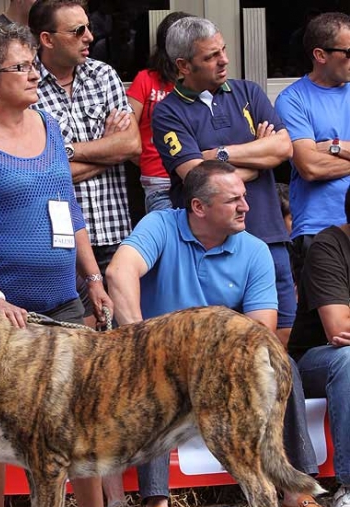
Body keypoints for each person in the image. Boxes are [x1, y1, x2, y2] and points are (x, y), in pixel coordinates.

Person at [0, 23, 146, 507]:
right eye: (21, 68)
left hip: (60, 301)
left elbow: (68, 211)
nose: (34, 75)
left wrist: (93, 278)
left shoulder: (49, 128)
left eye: (33, 65)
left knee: (79, 410)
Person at [106, 161, 334, 507]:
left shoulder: (256, 249)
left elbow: (263, 330)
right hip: (160, 352)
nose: (247, 206)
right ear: (199, 207)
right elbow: (119, 272)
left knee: (284, 364)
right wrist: (138, 338)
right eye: (233, 200)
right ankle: (157, 503)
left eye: (244, 197)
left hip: (222, 358)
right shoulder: (161, 225)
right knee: (154, 371)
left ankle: (295, 491)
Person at [28, 0, 142, 507]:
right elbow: (42, 169)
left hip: (114, 236)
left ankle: (112, 506)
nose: (90, 37)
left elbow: (132, 145)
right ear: (46, 39)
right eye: (77, 31)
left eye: (90, 28)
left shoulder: (104, 75)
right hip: (58, 246)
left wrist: (71, 153)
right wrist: (102, 149)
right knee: (69, 380)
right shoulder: (25, 84)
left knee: (110, 375)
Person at [152, 16, 295, 349]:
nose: (224, 60)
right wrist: (256, 159)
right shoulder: (168, 113)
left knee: (277, 345)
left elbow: (283, 148)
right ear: (183, 65)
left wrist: (218, 154)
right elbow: (196, 178)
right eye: (211, 56)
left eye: (223, 50)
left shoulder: (248, 92)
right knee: (220, 351)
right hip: (212, 251)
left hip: (269, 235)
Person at [288, 184, 350, 507]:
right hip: (316, 361)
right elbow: (338, 327)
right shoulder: (328, 246)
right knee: (349, 359)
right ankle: (349, 485)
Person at [275, 12, 350, 286]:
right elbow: (309, 166)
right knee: (328, 323)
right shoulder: (292, 99)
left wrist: (332, 146)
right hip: (319, 228)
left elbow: (318, 159)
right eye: (348, 52)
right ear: (320, 55)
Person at [126, 11, 190, 213]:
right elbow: (127, 132)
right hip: (158, 179)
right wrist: (146, 157)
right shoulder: (145, 79)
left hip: (196, 177)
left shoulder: (198, 81)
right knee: (168, 241)